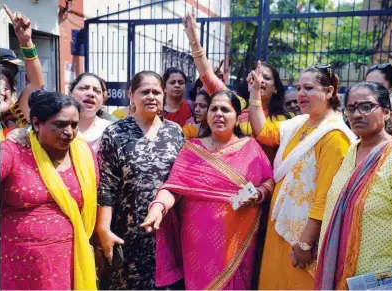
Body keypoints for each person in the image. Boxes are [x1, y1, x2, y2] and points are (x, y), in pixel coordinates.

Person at [141, 90, 275, 290]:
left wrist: (258, 194)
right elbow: (173, 187)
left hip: (239, 239)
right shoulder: (192, 149)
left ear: (237, 118)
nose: (218, 114)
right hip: (198, 241)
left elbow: (269, 181)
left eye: (225, 109)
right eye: (214, 108)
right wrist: (158, 207)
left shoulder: (251, 147)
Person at [248, 62, 356, 290]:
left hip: (303, 237)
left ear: (329, 92)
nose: (300, 94)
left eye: (308, 88)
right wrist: (255, 92)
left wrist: (306, 243)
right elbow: (265, 133)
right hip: (280, 226)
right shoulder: (299, 124)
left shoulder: (335, 137)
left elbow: (326, 196)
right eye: (298, 88)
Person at [315, 82, 392, 290]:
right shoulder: (352, 150)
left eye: (366, 107)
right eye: (351, 108)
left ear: (386, 112)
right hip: (340, 278)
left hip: (386, 282)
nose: (357, 114)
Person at [95, 71, 185, 289]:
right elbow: (106, 187)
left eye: (156, 92)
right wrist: (104, 230)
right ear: (131, 94)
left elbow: (181, 179)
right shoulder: (115, 133)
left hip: (168, 230)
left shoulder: (175, 132)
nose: (151, 97)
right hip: (127, 230)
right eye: (144, 92)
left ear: (164, 95)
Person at [0, 90, 99, 290]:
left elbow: (96, 197)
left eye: (74, 125)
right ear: (37, 124)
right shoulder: (15, 150)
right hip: (20, 260)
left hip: (70, 257)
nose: (69, 131)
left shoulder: (83, 154)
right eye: (60, 124)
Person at [182, 12, 291, 161]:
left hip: (265, 178)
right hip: (231, 170)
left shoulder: (285, 119)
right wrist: (194, 40)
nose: (260, 80)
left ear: (276, 87)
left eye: (266, 78)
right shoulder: (238, 104)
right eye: (256, 76)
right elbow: (208, 77)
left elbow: (265, 136)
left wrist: (255, 93)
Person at [6, 72, 112, 153]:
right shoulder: (46, 125)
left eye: (97, 91)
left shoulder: (112, 131)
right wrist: (19, 134)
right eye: (84, 88)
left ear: (103, 98)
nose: (91, 94)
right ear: (70, 93)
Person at [1, 6, 44, 140]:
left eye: (7, 87)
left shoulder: (15, 114)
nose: (2, 91)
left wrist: (26, 42)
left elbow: (36, 84)